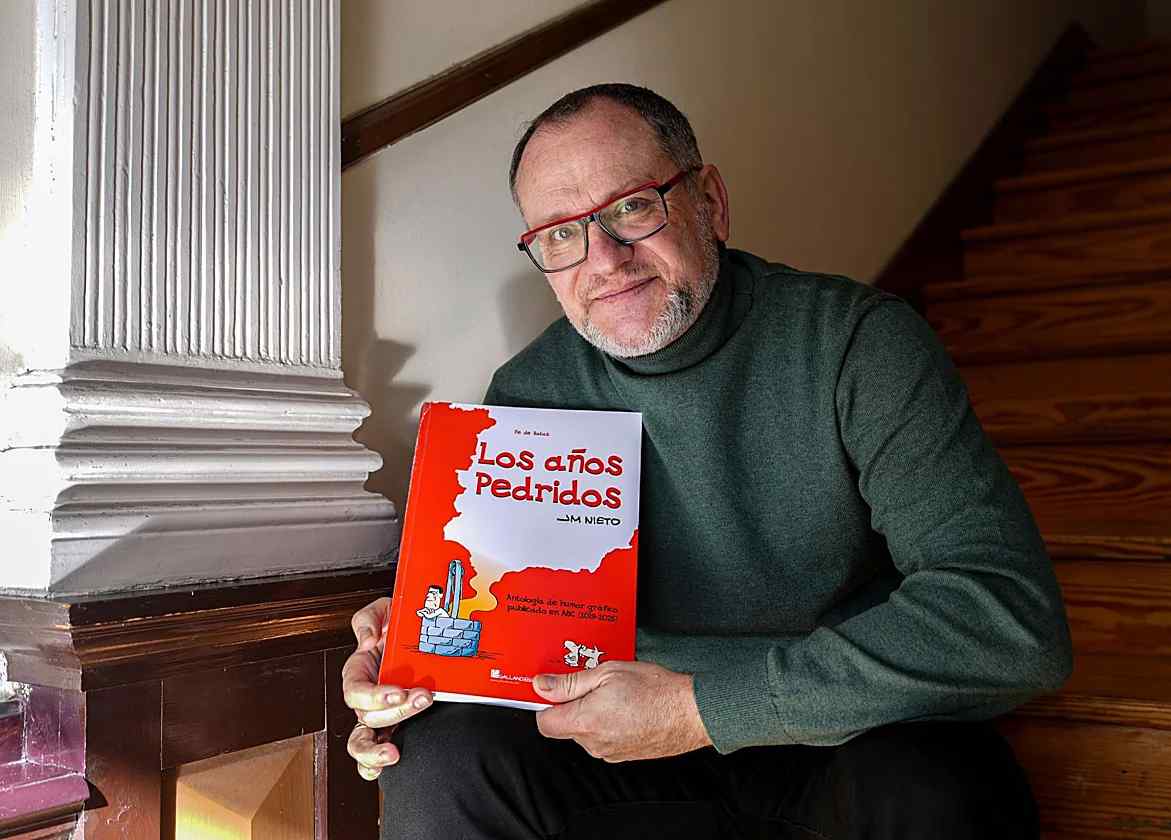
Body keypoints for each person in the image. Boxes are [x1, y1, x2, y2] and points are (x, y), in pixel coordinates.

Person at [341, 83, 1072, 839]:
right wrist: (406, 660)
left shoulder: (857, 344)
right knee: (434, 755)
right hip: (618, 733)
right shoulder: (528, 395)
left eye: (632, 207)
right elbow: (496, 617)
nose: (605, 259)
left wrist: (700, 709)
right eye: (560, 235)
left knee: (939, 789)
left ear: (710, 203)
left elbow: (1010, 618)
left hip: (845, 725)